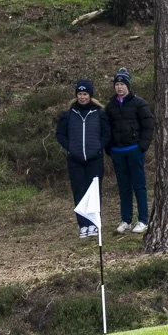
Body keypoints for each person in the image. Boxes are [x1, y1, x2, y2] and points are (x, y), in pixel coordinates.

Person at [54, 79, 110, 239]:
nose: (82, 97)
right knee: (79, 191)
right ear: (76, 95)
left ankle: (94, 223)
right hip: (75, 160)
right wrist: (70, 148)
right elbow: (60, 134)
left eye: (85, 94)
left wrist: (98, 147)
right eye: (80, 94)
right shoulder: (68, 115)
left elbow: (107, 134)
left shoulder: (99, 113)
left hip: (94, 159)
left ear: (90, 95)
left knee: (94, 191)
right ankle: (83, 224)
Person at [107, 69, 155, 234]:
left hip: (134, 149)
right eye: (117, 84)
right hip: (117, 152)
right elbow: (106, 129)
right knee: (123, 187)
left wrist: (142, 146)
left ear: (128, 85)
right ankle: (125, 220)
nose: (119, 87)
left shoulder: (138, 103)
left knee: (139, 185)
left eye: (122, 84)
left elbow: (148, 125)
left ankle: (142, 220)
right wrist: (109, 148)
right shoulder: (110, 106)